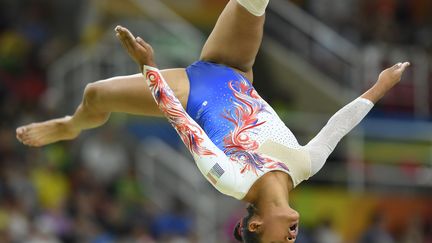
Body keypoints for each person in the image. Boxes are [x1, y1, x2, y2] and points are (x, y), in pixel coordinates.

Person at [16, 0, 410, 242]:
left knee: (94, 93)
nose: (293, 239)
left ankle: (71, 124)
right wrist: (380, 85)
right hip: (236, 70)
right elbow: (338, 127)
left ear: (255, 228)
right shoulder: (305, 167)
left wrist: (147, 66)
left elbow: (181, 123)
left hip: (188, 93)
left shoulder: (231, 180)